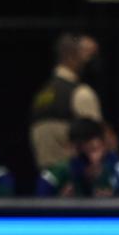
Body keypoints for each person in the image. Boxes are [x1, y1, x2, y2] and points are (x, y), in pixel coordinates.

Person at [28, 33, 104, 172]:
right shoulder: (81, 93)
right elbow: (97, 145)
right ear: (70, 54)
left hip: (47, 179)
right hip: (74, 182)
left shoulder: (41, 95)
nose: (92, 61)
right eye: (87, 54)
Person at [38, 118, 119, 197]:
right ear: (72, 149)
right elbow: (38, 209)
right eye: (83, 153)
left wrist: (114, 200)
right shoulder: (55, 175)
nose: (91, 159)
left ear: (103, 146)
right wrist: (59, 203)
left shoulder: (115, 168)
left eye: (94, 149)